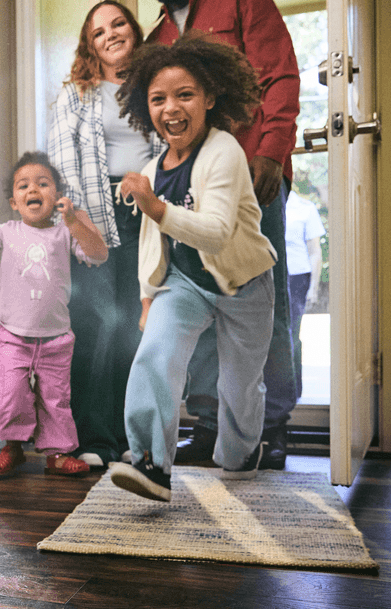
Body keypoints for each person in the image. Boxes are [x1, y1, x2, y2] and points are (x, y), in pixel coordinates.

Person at [118, 0, 300, 469]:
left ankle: (269, 427)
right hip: (184, 197)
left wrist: (271, 151)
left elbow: (280, 75)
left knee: (257, 309)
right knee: (190, 303)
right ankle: (208, 424)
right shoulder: (155, 37)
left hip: (251, 185)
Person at [109, 36, 276, 503]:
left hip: (243, 281)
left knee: (238, 384)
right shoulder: (154, 164)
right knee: (155, 352)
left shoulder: (223, 151)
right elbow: (150, 241)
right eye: (158, 99)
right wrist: (147, 295)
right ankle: (150, 463)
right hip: (185, 281)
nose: (171, 108)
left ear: (209, 98)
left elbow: (218, 232)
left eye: (184, 95)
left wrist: (155, 205)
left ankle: (239, 460)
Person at [48, 1, 165, 468]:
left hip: (147, 213)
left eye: (118, 24)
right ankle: (94, 438)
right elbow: (62, 159)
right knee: (98, 324)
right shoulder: (77, 94)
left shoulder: (154, 87)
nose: (111, 34)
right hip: (93, 214)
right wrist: (80, 220)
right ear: (90, 45)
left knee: (137, 328)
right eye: (99, 32)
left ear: (134, 32)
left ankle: (129, 436)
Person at [0, 151, 108, 477]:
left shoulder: (63, 232)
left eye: (43, 184)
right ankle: (12, 448)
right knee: (12, 394)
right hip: (14, 335)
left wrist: (74, 221)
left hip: (56, 337)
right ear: (14, 201)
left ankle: (56, 454)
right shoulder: (7, 231)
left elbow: (98, 254)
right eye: (23, 185)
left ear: (56, 196)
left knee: (56, 400)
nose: (33, 190)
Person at [284, 190, 325, 397]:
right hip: (271, 274)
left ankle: (293, 389)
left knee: (292, 333)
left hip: (297, 277)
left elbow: (315, 252)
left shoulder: (305, 209)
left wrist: (313, 288)